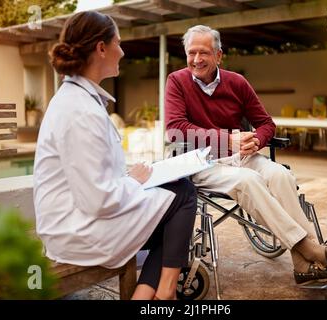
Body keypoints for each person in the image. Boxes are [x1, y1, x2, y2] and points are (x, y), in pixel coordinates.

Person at [165, 25, 327, 284]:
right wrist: (227, 140)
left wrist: (257, 140)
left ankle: (302, 266)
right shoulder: (177, 81)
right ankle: (313, 250)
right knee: (249, 181)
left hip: (242, 157)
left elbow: (266, 123)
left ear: (219, 56)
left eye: (204, 52)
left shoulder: (237, 83)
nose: (197, 59)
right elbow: (175, 129)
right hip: (201, 161)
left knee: (280, 175)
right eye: (192, 53)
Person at [33, 11, 197, 300]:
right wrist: (134, 181)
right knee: (182, 194)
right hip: (79, 233)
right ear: (101, 48)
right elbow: (99, 200)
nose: (122, 51)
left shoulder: (79, 100)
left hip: (79, 222)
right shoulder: (78, 110)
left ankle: (147, 297)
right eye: (118, 44)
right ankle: (165, 295)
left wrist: (137, 177)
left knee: (172, 201)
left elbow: (95, 177)